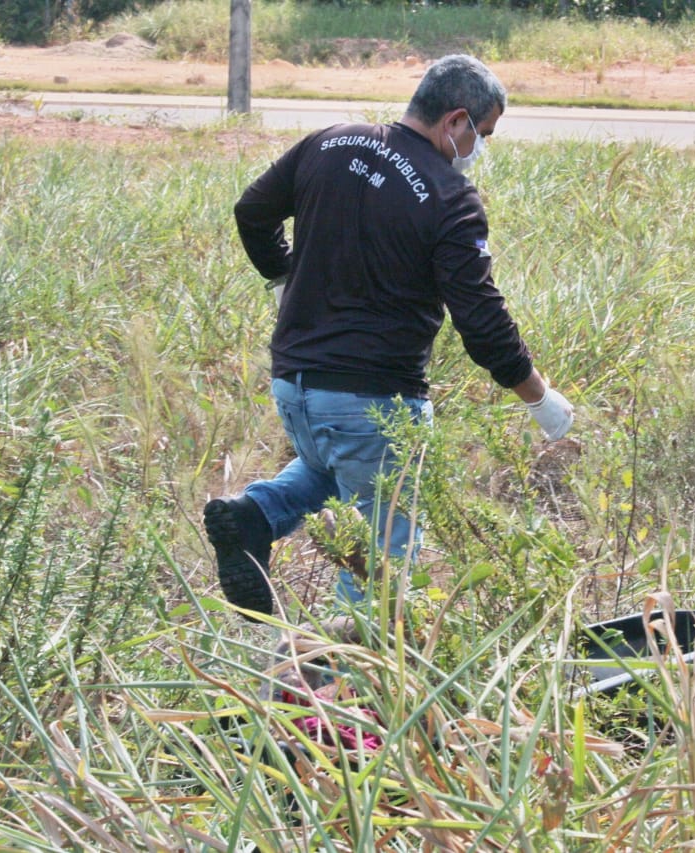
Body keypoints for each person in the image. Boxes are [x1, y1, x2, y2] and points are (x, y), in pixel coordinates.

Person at [205, 54, 574, 618]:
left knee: (333, 464)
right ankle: (345, 681)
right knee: (383, 566)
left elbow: (252, 211)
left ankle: (254, 516)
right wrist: (539, 398)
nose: (480, 147)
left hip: (294, 387)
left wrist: (283, 274)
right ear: (456, 121)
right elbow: (481, 321)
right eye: (484, 133)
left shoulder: (330, 142)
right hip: (375, 398)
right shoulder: (451, 198)